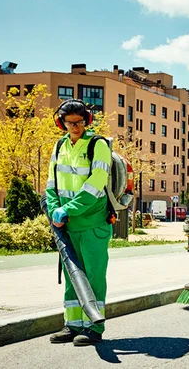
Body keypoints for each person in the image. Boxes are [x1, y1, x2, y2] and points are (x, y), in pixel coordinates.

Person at [45, 99, 113, 346]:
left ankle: (94, 326)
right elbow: (51, 184)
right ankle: (72, 324)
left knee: (93, 276)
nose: (75, 127)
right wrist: (54, 210)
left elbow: (95, 184)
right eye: (69, 122)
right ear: (60, 122)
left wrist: (67, 209)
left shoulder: (98, 145)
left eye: (79, 122)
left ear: (87, 121)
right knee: (72, 276)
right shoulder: (60, 145)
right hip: (67, 224)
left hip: (93, 223)